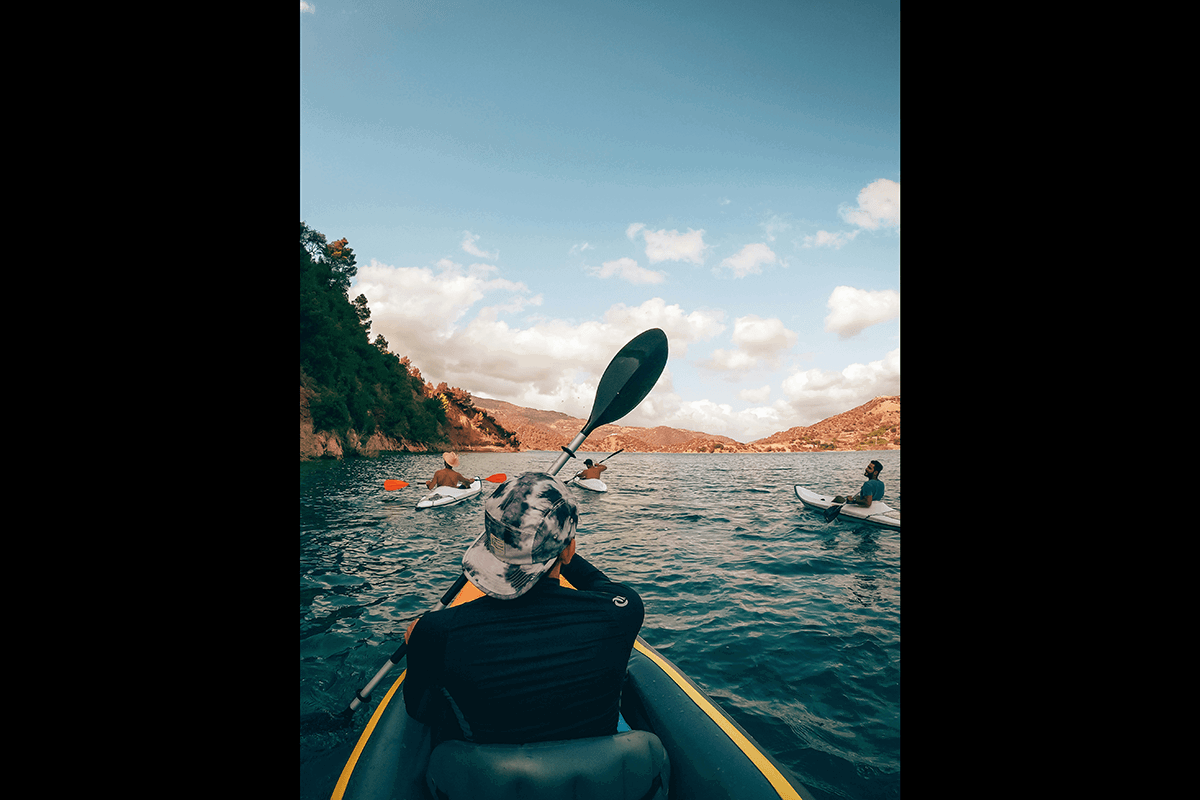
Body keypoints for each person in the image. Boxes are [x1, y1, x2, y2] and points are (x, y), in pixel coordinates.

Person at [402, 471, 644, 746]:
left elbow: (421, 712)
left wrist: (417, 643)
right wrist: (556, 543)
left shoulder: (435, 631)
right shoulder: (623, 611)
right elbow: (596, 581)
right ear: (568, 550)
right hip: (601, 781)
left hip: (490, 784)